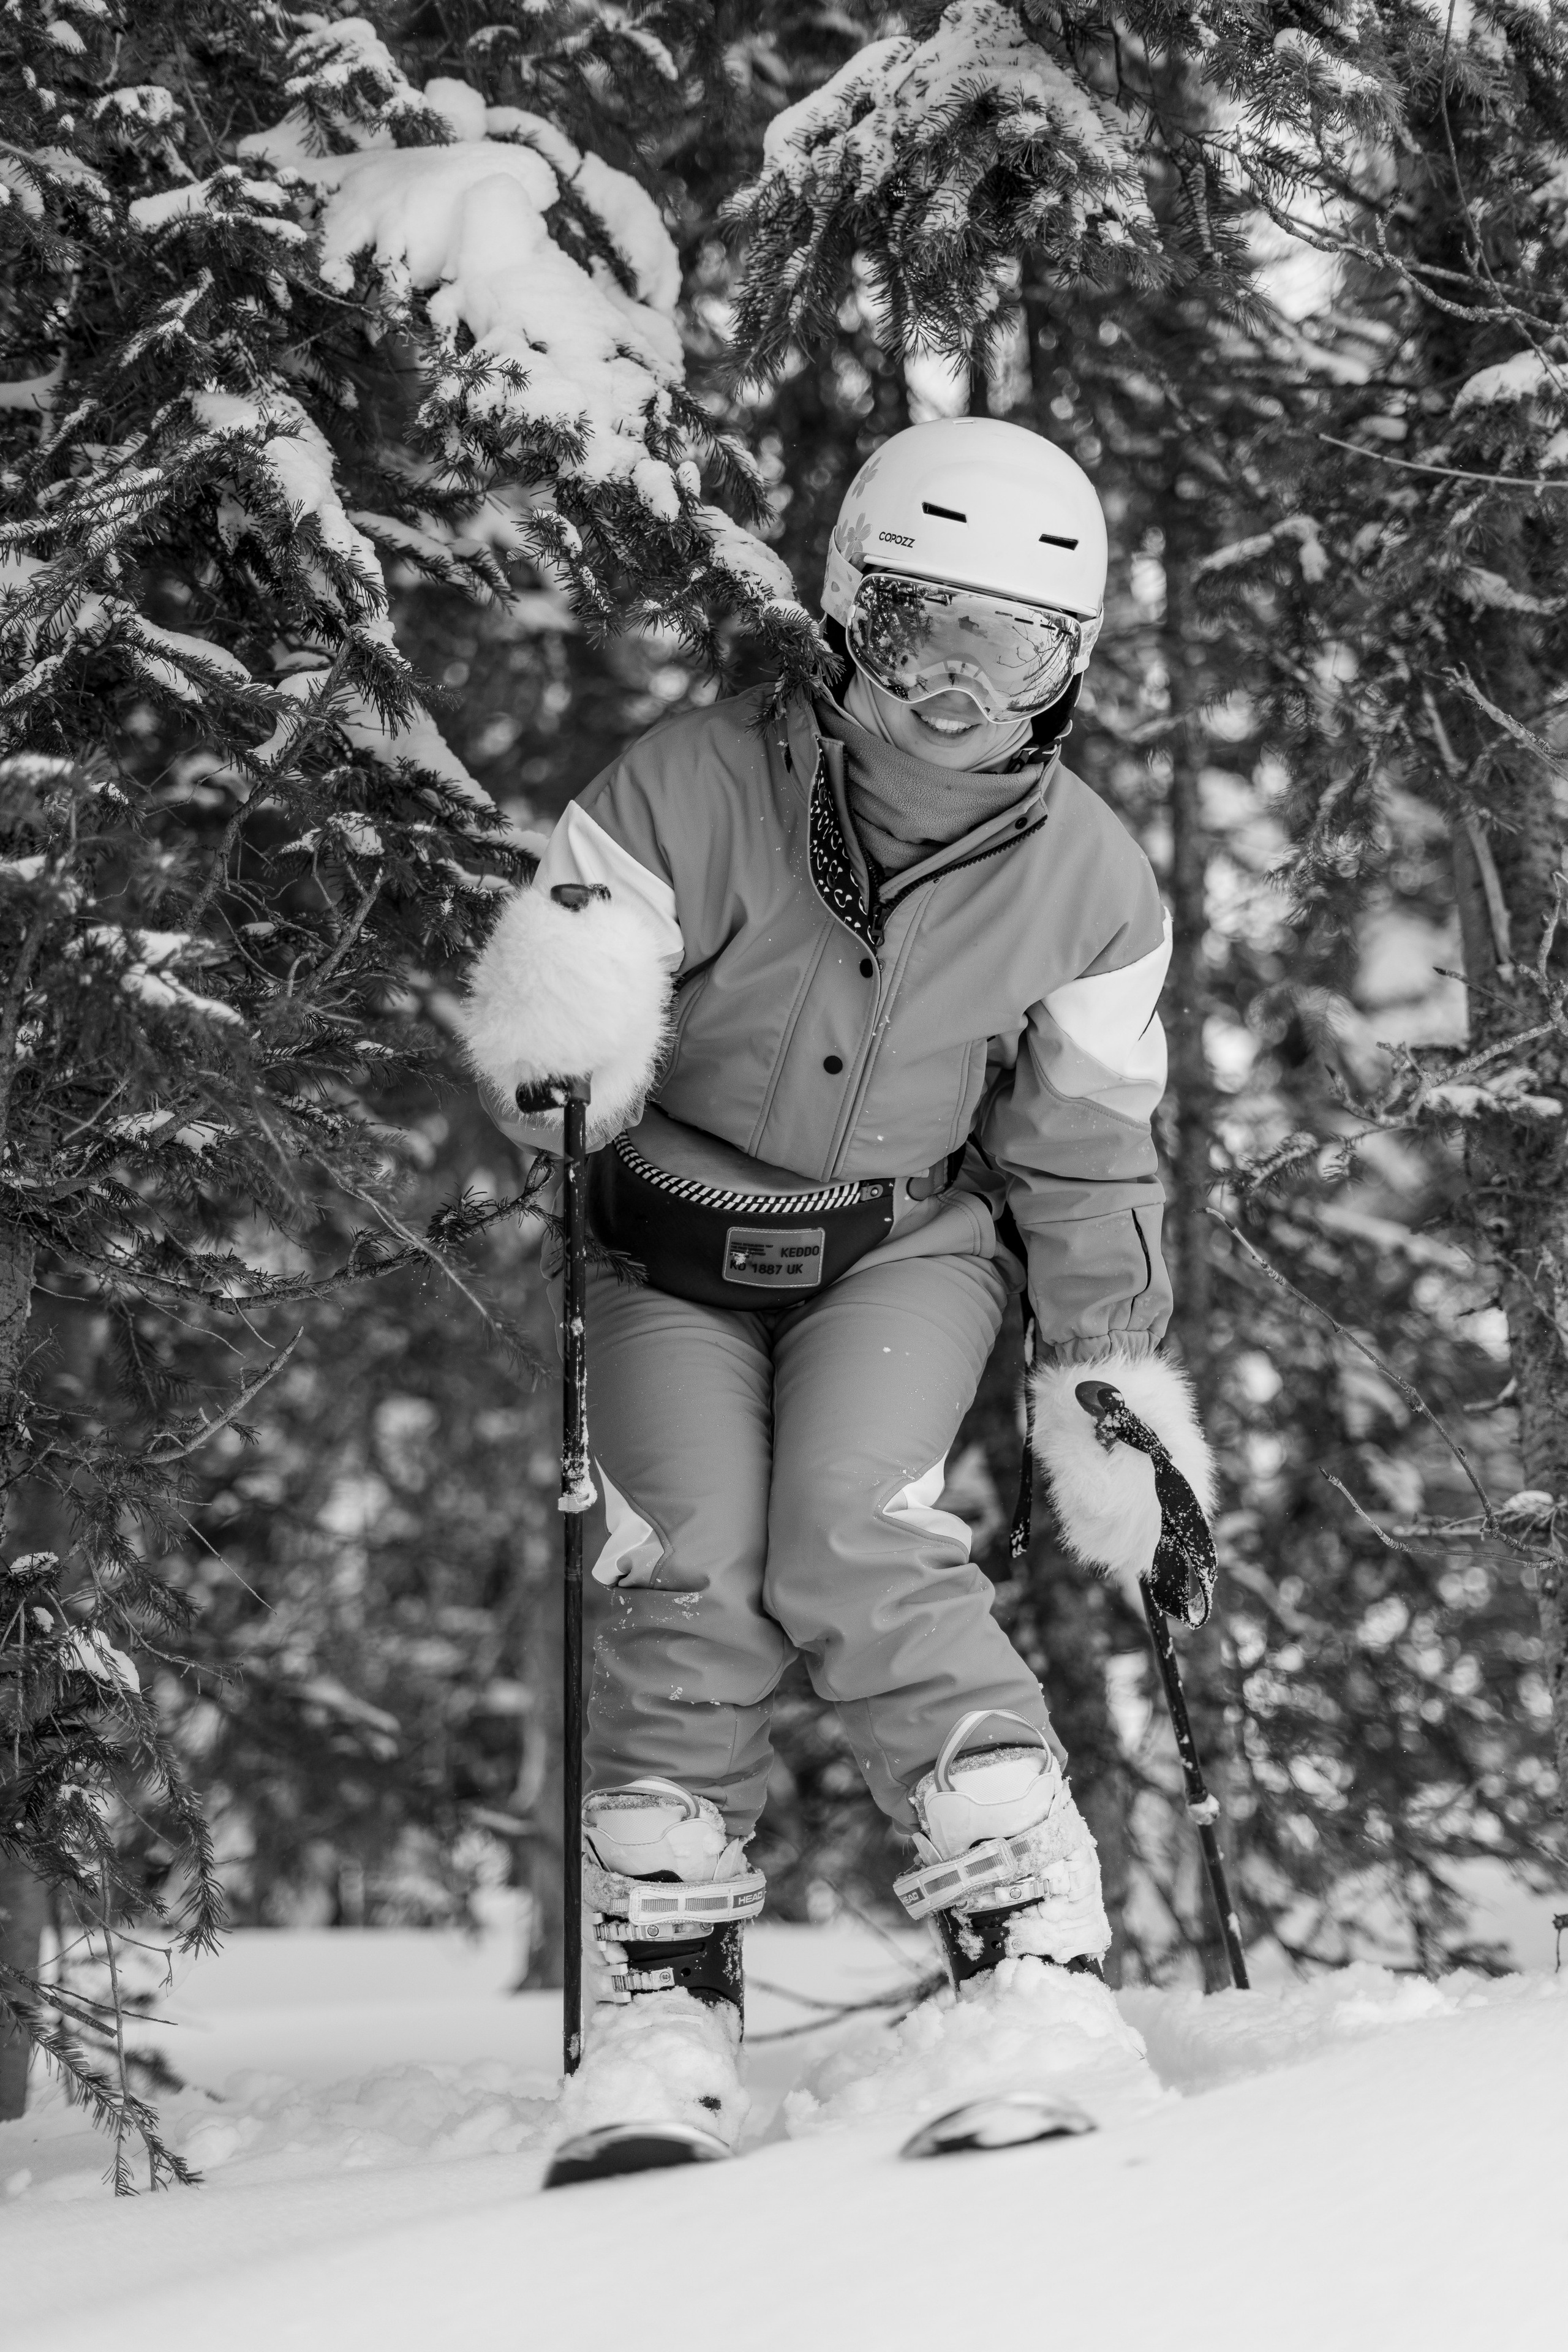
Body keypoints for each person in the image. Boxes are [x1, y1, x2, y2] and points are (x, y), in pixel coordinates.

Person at [460, 417, 1214, 2146]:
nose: (957, 693)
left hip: (899, 1250)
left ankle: (1030, 1964)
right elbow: (559, 1016)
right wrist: (562, 1021)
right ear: (850, 611)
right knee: (689, 1562)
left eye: (1011, 653)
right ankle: (665, 2002)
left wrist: (1108, 1377)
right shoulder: (687, 785)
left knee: (854, 1535)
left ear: (1069, 667)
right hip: (667, 1253)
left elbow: (1088, 1147)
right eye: (924, 633)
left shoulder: (1096, 883)